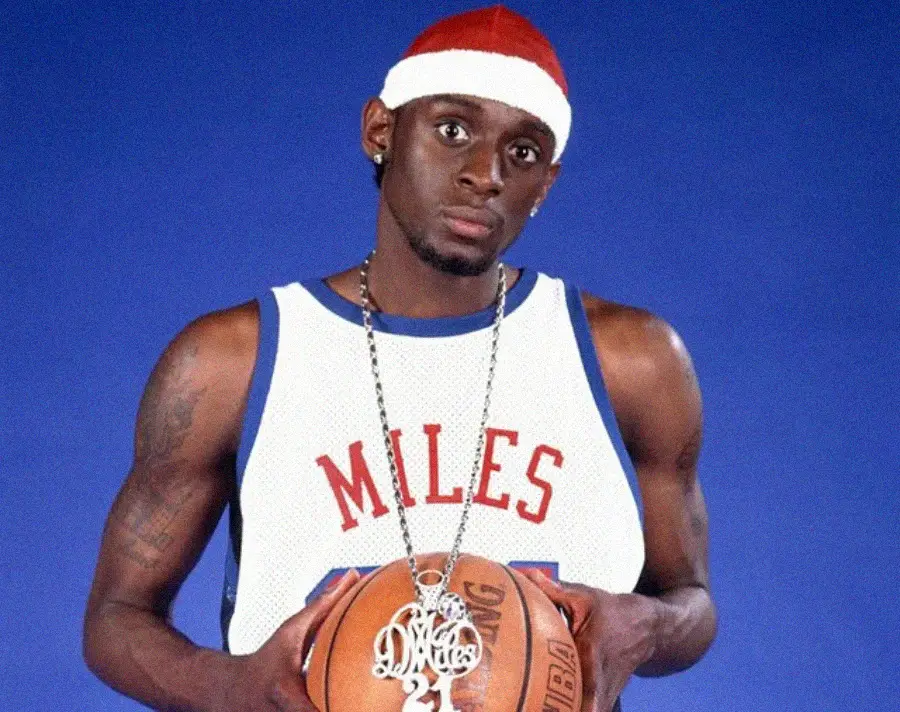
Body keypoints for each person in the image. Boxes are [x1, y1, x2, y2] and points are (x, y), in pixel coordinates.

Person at [84, 6, 716, 712]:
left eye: (524, 152)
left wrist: (649, 628)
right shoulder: (233, 361)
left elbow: (690, 603)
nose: (486, 173)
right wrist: (226, 685)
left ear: (546, 186)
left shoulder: (631, 361)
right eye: (453, 130)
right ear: (380, 131)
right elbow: (116, 617)